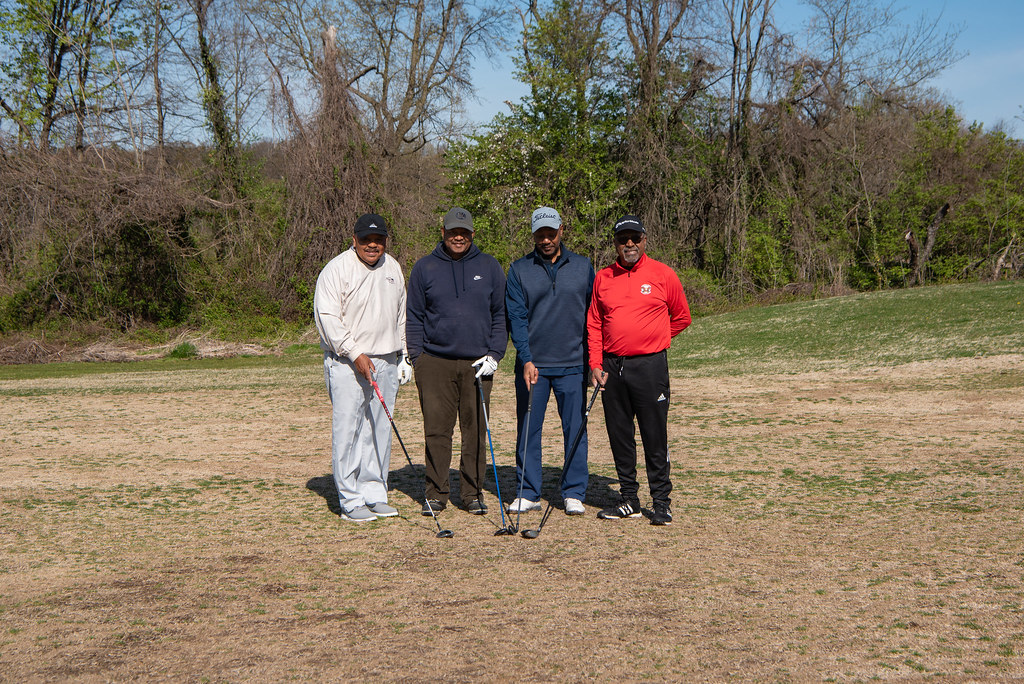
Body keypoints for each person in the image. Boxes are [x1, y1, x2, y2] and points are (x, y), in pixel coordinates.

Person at [587, 214, 691, 525]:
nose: (629, 244)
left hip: (650, 367)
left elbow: (682, 317)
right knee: (620, 435)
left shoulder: (662, 274)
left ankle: (661, 502)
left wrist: (655, 337)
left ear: (644, 240)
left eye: (634, 238)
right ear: (616, 244)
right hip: (612, 368)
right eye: (622, 240)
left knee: (654, 435)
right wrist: (595, 364)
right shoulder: (603, 278)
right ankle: (629, 499)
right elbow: (594, 324)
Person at [406, 207, 507, 516]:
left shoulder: (490, 267)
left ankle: (473, 492)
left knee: (476, 430)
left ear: (472, 234)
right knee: (437, 431)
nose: (458, 237)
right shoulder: (424, 268)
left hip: (479, 363)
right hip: (434, 362)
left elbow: (500, 315)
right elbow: (414, 317)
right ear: (443, 233)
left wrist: (495, 354)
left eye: (463, 232)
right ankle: (436, 492)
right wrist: (417, 358)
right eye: (452, 232)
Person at [314, 213, 413, 523]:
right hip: (347, 363)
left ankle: (374, 493)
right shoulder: (336, 270)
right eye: (366, 239)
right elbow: (328, 319)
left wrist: (404, 355)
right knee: (349, 432)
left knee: (379, 431)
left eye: (379, 239)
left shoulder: (393, 267)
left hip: (386, 360)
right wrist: (355, 353)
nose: (373, 245)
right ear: (353, 239)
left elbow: (401, 316)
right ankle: (351, 500)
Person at [504, 207, 595, 516]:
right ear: (533, 235)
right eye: (540, 234)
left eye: (550, 233)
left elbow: (593, 317)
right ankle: (528, 492)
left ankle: (573, 492)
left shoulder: (583, 267)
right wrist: (526, 358)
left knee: (575, 430)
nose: (546, 239)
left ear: (561, 231)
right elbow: (516, 318)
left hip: (574, 364)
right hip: (534, 368)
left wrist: (594, 360)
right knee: (529, 429)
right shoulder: (518, 270)